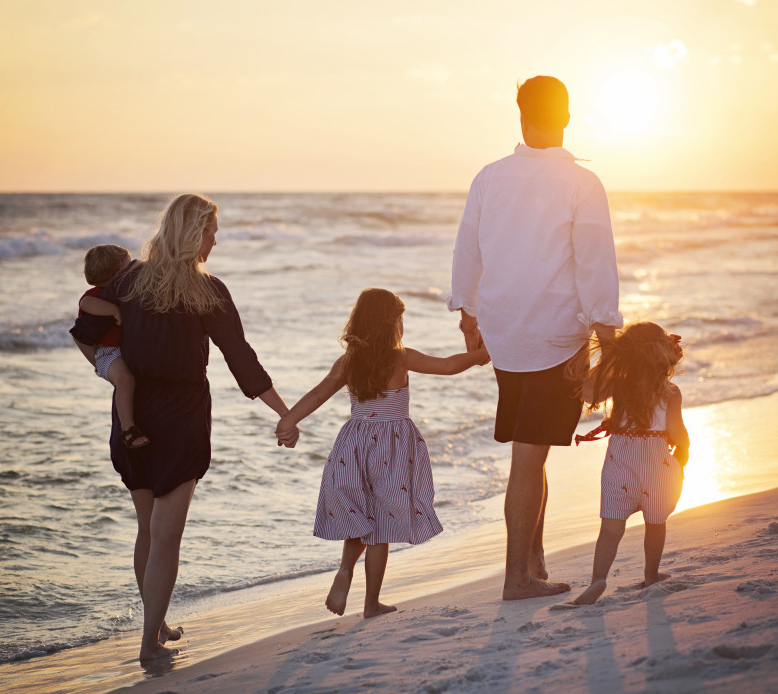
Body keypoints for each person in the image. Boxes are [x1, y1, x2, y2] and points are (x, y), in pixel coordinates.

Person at [70, 193, 298, 663]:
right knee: (165, 535)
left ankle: (156, 623)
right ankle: (149, 641)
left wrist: (113, 374)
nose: (216, 239)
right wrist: (284, 411)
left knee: (148, 532)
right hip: (181, 417)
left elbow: (83, 330)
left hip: (133, 415)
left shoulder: (129, 279)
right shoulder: (208, 289)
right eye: (212, 230)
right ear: (195, 233)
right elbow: (241, 359)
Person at [448, 75, 623, 600]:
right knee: (529, 455)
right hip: (553, 338)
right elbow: (596, 263)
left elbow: (467, 250)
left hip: (505, 335)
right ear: (566, 117)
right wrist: (609, 337)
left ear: (520, 114)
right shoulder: (581, 183)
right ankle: (516, 579)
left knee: (534, 451)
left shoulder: (490, 177)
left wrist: (469, 317)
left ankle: (534, 561)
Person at [275, 288, 489, 618]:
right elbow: (447, 366)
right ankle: (371, 603)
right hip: (392, 447)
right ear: (392, 324)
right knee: (382, 528)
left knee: (362, 514)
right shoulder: (400, 357)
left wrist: (288, 420)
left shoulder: (348, 362)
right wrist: (481, 355)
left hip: (354, 444)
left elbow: (318, 394)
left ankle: (345, 570)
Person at [571, 321, 690, 605]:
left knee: (611, 528)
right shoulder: (671, 392)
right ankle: (651, 573)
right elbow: (677, 430)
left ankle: (597, 579)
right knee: (655, 523)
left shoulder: (618, 385)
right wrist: (682, 456)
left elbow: (588, 393)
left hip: (620, 460)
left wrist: (598, 359)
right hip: (657, 463)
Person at [76, 244, 149, 449]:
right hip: (107, 353)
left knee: (133, 381)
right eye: (128, 267)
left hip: (120, 351)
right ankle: (128, 430)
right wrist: (113, 310)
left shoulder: (121, 291)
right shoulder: (96, 295)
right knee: (125, 380)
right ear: (118, 274)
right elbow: (85, 304)